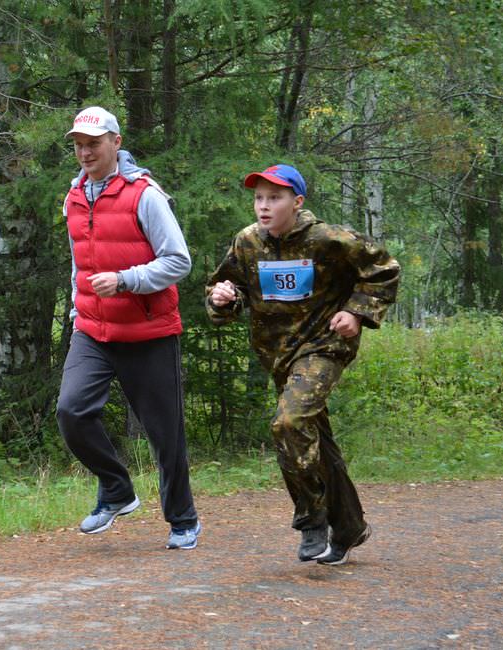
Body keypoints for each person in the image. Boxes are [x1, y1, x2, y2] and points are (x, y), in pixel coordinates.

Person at [205, 164, 400, 565]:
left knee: (288, 423)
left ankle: (312, 518)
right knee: (314, 440)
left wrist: (356, 314)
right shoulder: (247, 242)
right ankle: (348, 528)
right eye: (259, 198)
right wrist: (222, 298)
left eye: (274, 198)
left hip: (325, 346)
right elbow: (227, 289)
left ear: (297, 202)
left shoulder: (328, 239)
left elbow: (383, 270)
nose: (264, 206)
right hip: (278, 356)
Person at [56, 106, 201, 549]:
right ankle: (117, 489)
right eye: (79, 145)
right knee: (71, 411)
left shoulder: (145, 195)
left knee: (165, 434)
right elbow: (81, 261)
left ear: (115, 144)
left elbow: (179, 261)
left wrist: (125, 281)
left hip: (148, 332)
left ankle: (182, 520)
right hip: (94, 332)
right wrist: (80, 312)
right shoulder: (73, 198)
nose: (85, 152)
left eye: (93, 144)